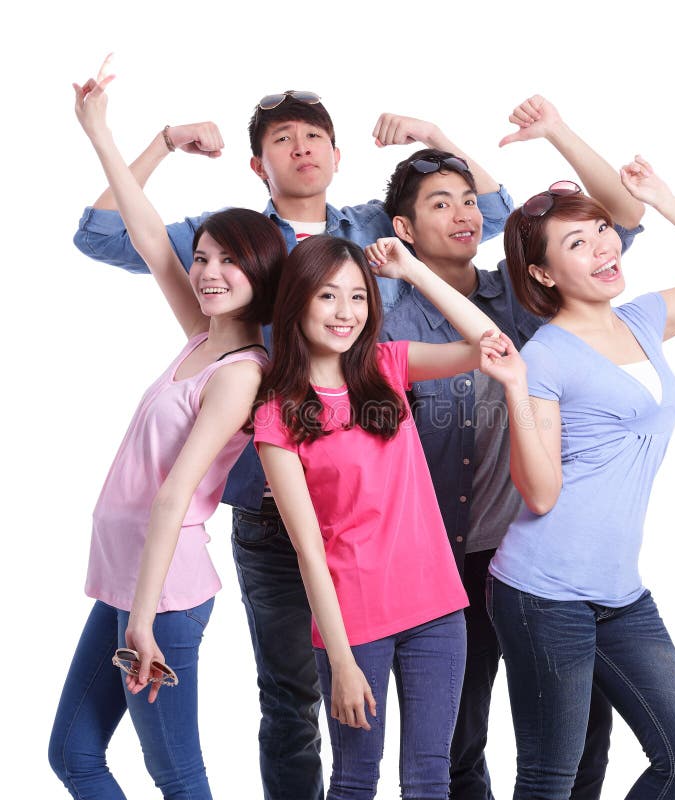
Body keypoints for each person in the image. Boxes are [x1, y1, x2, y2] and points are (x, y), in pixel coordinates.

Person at [71, 81, 513, 800]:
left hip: (380, 530)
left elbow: (489, 212)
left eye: (354, 295)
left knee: (415, 755)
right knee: (292, 705)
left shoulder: (374, 234)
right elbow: (130, 239)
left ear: (338, 155)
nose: (213, 273)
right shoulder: (238, 273)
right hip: (274, 516)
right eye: (281, 139)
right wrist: (124, 138)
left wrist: (431, 152)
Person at [380, 93, 645, 800]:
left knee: (583, 727)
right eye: (440, 203)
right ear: (403, 229)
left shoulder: (528, 297)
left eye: (470, 198)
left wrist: (552, 130)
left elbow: (619, 219)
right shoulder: (385, 319)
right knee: (457, 739)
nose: (465, 213)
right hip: (437, 560)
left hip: (527, 551)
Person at [479, 154, 675, 800]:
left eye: (602, 228)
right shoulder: (544, 355)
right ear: (543, 273)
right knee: (552, 779)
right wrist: (517, 389)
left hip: (620, 592)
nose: (604, 244)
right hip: (543, 593)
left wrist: (661, 197)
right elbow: (541, 493)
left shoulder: (644, 321)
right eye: (577, 241)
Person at [49, 71, 284, 799]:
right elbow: (150, 237)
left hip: (164, 597)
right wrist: (104, 133)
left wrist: (142, 623)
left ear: (263, 274)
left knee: (177, 777)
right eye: (205, 258)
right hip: (125, 578)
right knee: (74, 756)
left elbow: (176, 492)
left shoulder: (241, 371)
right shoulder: (199, 337)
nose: (209, 272)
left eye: (229, 262)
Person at [252, 233, 506, 799]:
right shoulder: (278, 415)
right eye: (327, 296)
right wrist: (340, 660)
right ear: (297, 302)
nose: (346, 313)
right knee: (354, 781)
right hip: (355, 621)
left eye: (358, 297)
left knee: (429, 780)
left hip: (438, 607)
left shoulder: (388, 368)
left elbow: (489, 342)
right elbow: (308, 550)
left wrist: (412, 270)